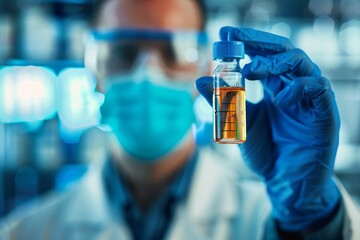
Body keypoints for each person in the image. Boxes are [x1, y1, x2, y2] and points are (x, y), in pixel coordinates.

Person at [1, 0, 360, 239]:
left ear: (206, 67)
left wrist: (310, 218)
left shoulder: (267, 219)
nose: (148, 74)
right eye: (124, 51)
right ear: (92, 67)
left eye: (174, 50)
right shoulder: (25, 232)